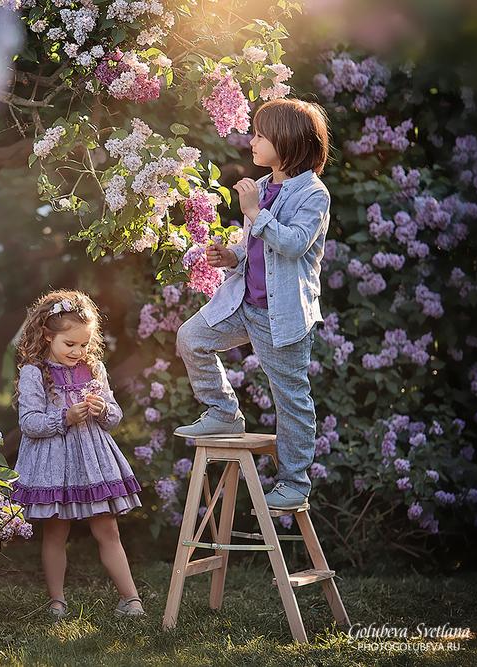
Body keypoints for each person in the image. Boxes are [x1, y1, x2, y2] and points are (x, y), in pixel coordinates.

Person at [174, 98, 333, 512]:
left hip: (283, 317)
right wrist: (233, 257)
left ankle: (295, 482)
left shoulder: (313, 195)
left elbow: (295, 245)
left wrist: (254, 212)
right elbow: (256, 250)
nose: (252, 140)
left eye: (261, 135)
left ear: (288, 142)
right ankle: (224, 411)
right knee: (191, 337)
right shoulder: (262, 188)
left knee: (291, 398)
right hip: (247, 303)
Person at [10, 289, 145, 619]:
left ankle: (131, 600)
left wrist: (102, 410)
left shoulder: (93, 368)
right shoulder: (34, 372)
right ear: (47, 335)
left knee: (108, 530)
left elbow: (114, 416)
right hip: (54, 464)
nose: (78, 351)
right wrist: (64, 417)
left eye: (84, 344)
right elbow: (29, 422)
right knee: (57, 531)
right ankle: (57, 601)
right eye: (69, 344)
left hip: (92, 461)